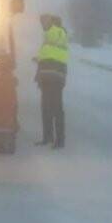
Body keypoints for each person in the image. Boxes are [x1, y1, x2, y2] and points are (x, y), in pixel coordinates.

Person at [33, 13, 69, 148]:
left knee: (55, 108)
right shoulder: (51, 35)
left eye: (43, 22)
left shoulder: (57, 32)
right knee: (46, 108)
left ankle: (59, 140)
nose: (42, 25)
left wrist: (49, 24)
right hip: (48, 76)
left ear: (51, 22)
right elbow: (49, 54)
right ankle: (48, 137)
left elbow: (54, 51)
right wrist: (38, 59)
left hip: (54, 77)